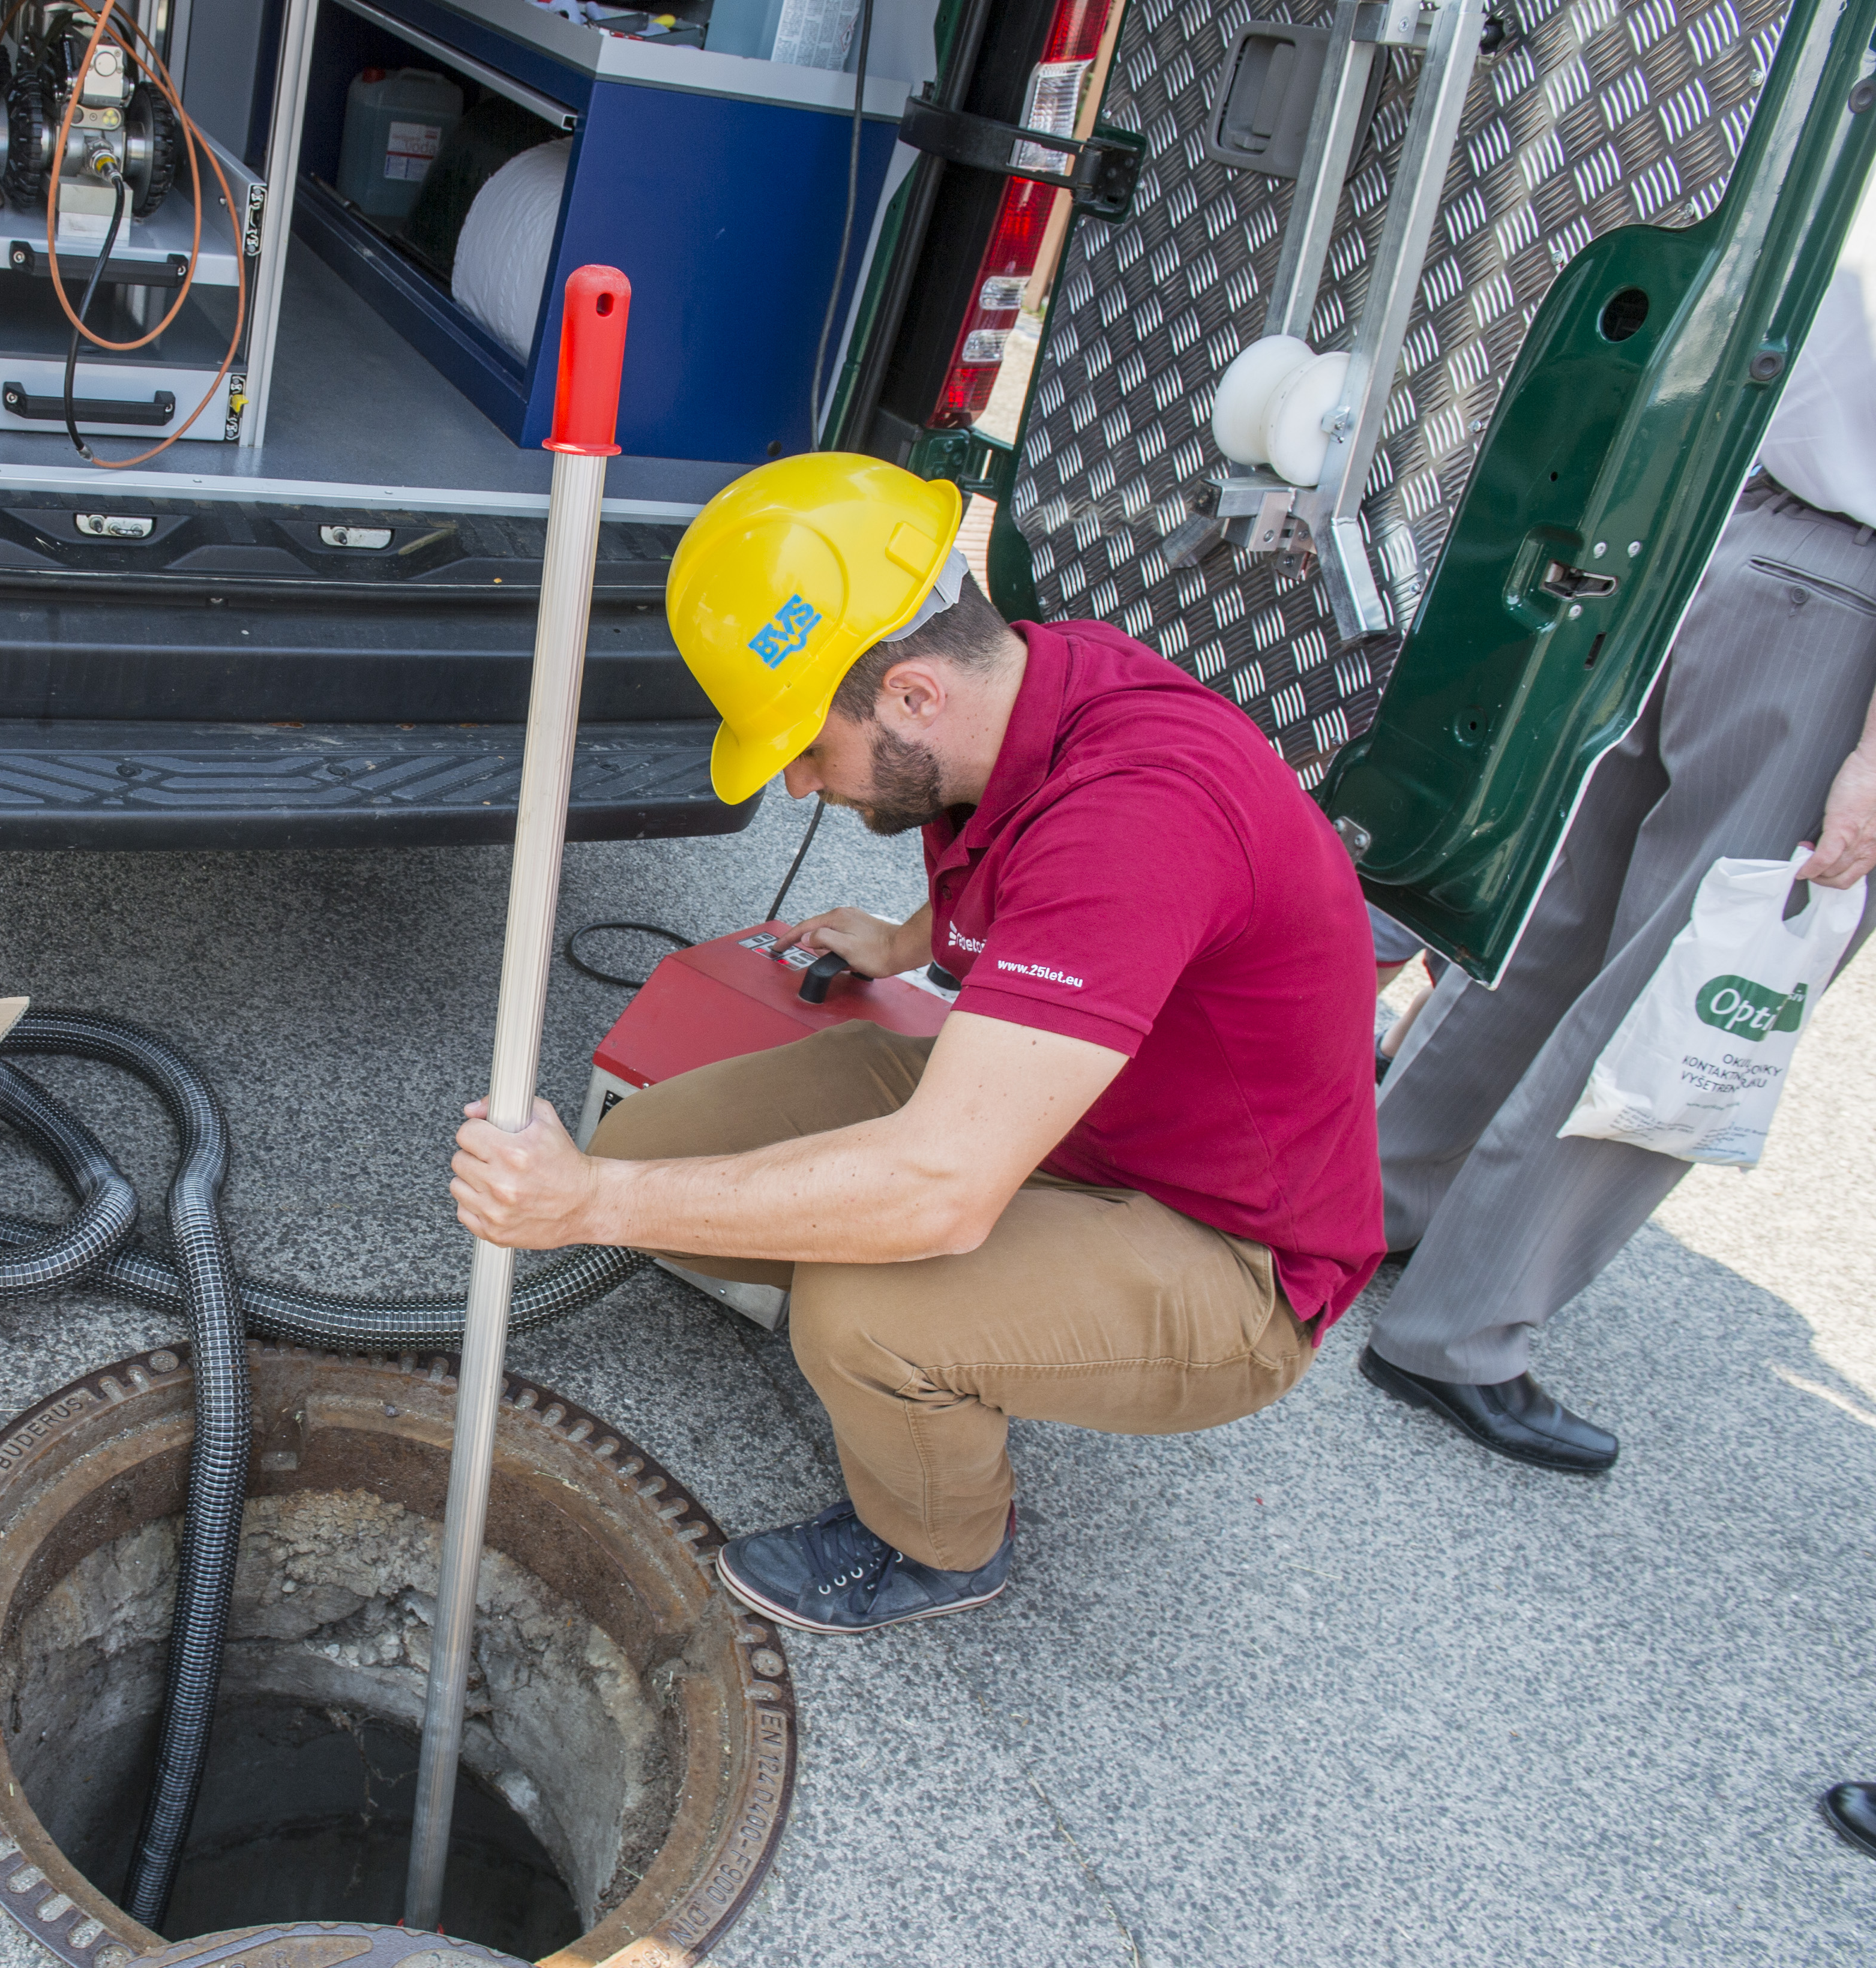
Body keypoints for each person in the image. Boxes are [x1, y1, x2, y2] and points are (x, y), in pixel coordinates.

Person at [447, 455, 1385, 1635]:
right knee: (658, 1135)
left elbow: (939, 1190)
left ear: (914, 696)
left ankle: (941, 1544)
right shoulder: (1022, 700)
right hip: (1077, 1109)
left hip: (1223, 1242)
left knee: (860, 1308)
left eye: (801, 740)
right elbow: (1021, 879)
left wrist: (584, 1204)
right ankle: (957, 1328)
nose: (791, 780)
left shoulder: (1136, 818)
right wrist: (903, 941)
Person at [1357, 177, 1876, 1481]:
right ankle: (1458, 1329)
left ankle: (1378, 1199)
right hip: (1842, 621)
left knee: (1558, 921)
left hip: (1725, 546)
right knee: (1691, 994)